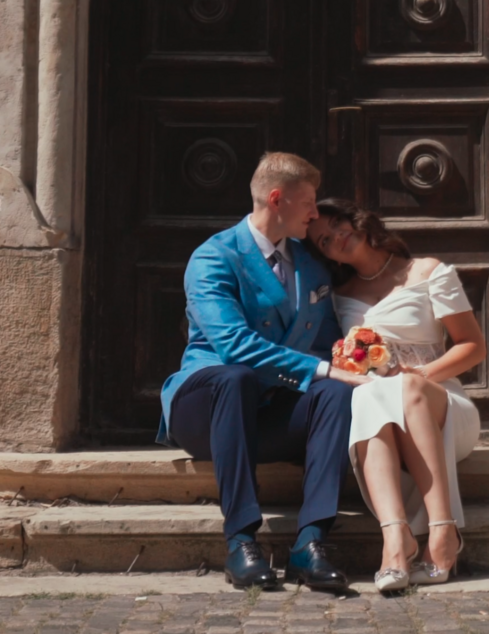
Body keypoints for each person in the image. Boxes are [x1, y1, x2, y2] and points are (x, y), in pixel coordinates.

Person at [157, 152, 369, 593]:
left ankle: (310, 543)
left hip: (271, 412)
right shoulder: (214, 257)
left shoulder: (311, 265)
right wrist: (323, 368)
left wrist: (362, 362)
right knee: (237, 377)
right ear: (277, 199)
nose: (314, 213)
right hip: (206, 409)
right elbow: (233, 346)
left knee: (334, 393)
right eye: (308, 201)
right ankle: (240, 542)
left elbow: (326, 342)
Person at [309, 197, 486, 594]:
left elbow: (474, 347)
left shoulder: (427, 271)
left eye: (336, 224)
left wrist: (419, 374)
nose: (335, 237)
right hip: (381, 414)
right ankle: (395, 539)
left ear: (355, 219)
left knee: (404, 387)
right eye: (323, 241)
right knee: (367, 395)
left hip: (443, 406)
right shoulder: (336, 296)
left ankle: (443, 529)